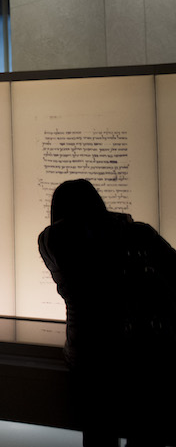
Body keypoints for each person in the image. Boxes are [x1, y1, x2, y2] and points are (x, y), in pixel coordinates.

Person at [38, 179, 176, 447]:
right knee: (145, 434)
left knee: (99, 435)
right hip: (141, 355)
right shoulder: (132, 234)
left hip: (89, 357)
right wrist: (114, 222)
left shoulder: (55, 243)